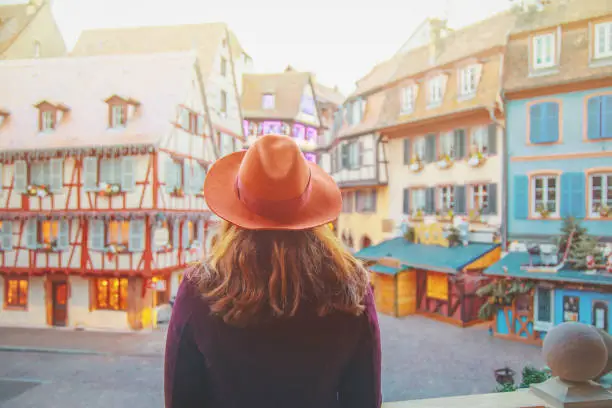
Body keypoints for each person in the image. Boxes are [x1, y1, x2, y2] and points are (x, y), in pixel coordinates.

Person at [164, 134, 382, 408]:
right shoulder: (351, 288)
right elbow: (364, 400)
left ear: (235, 211)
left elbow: (180, 398)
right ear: (310, 206)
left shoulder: (200, 289)